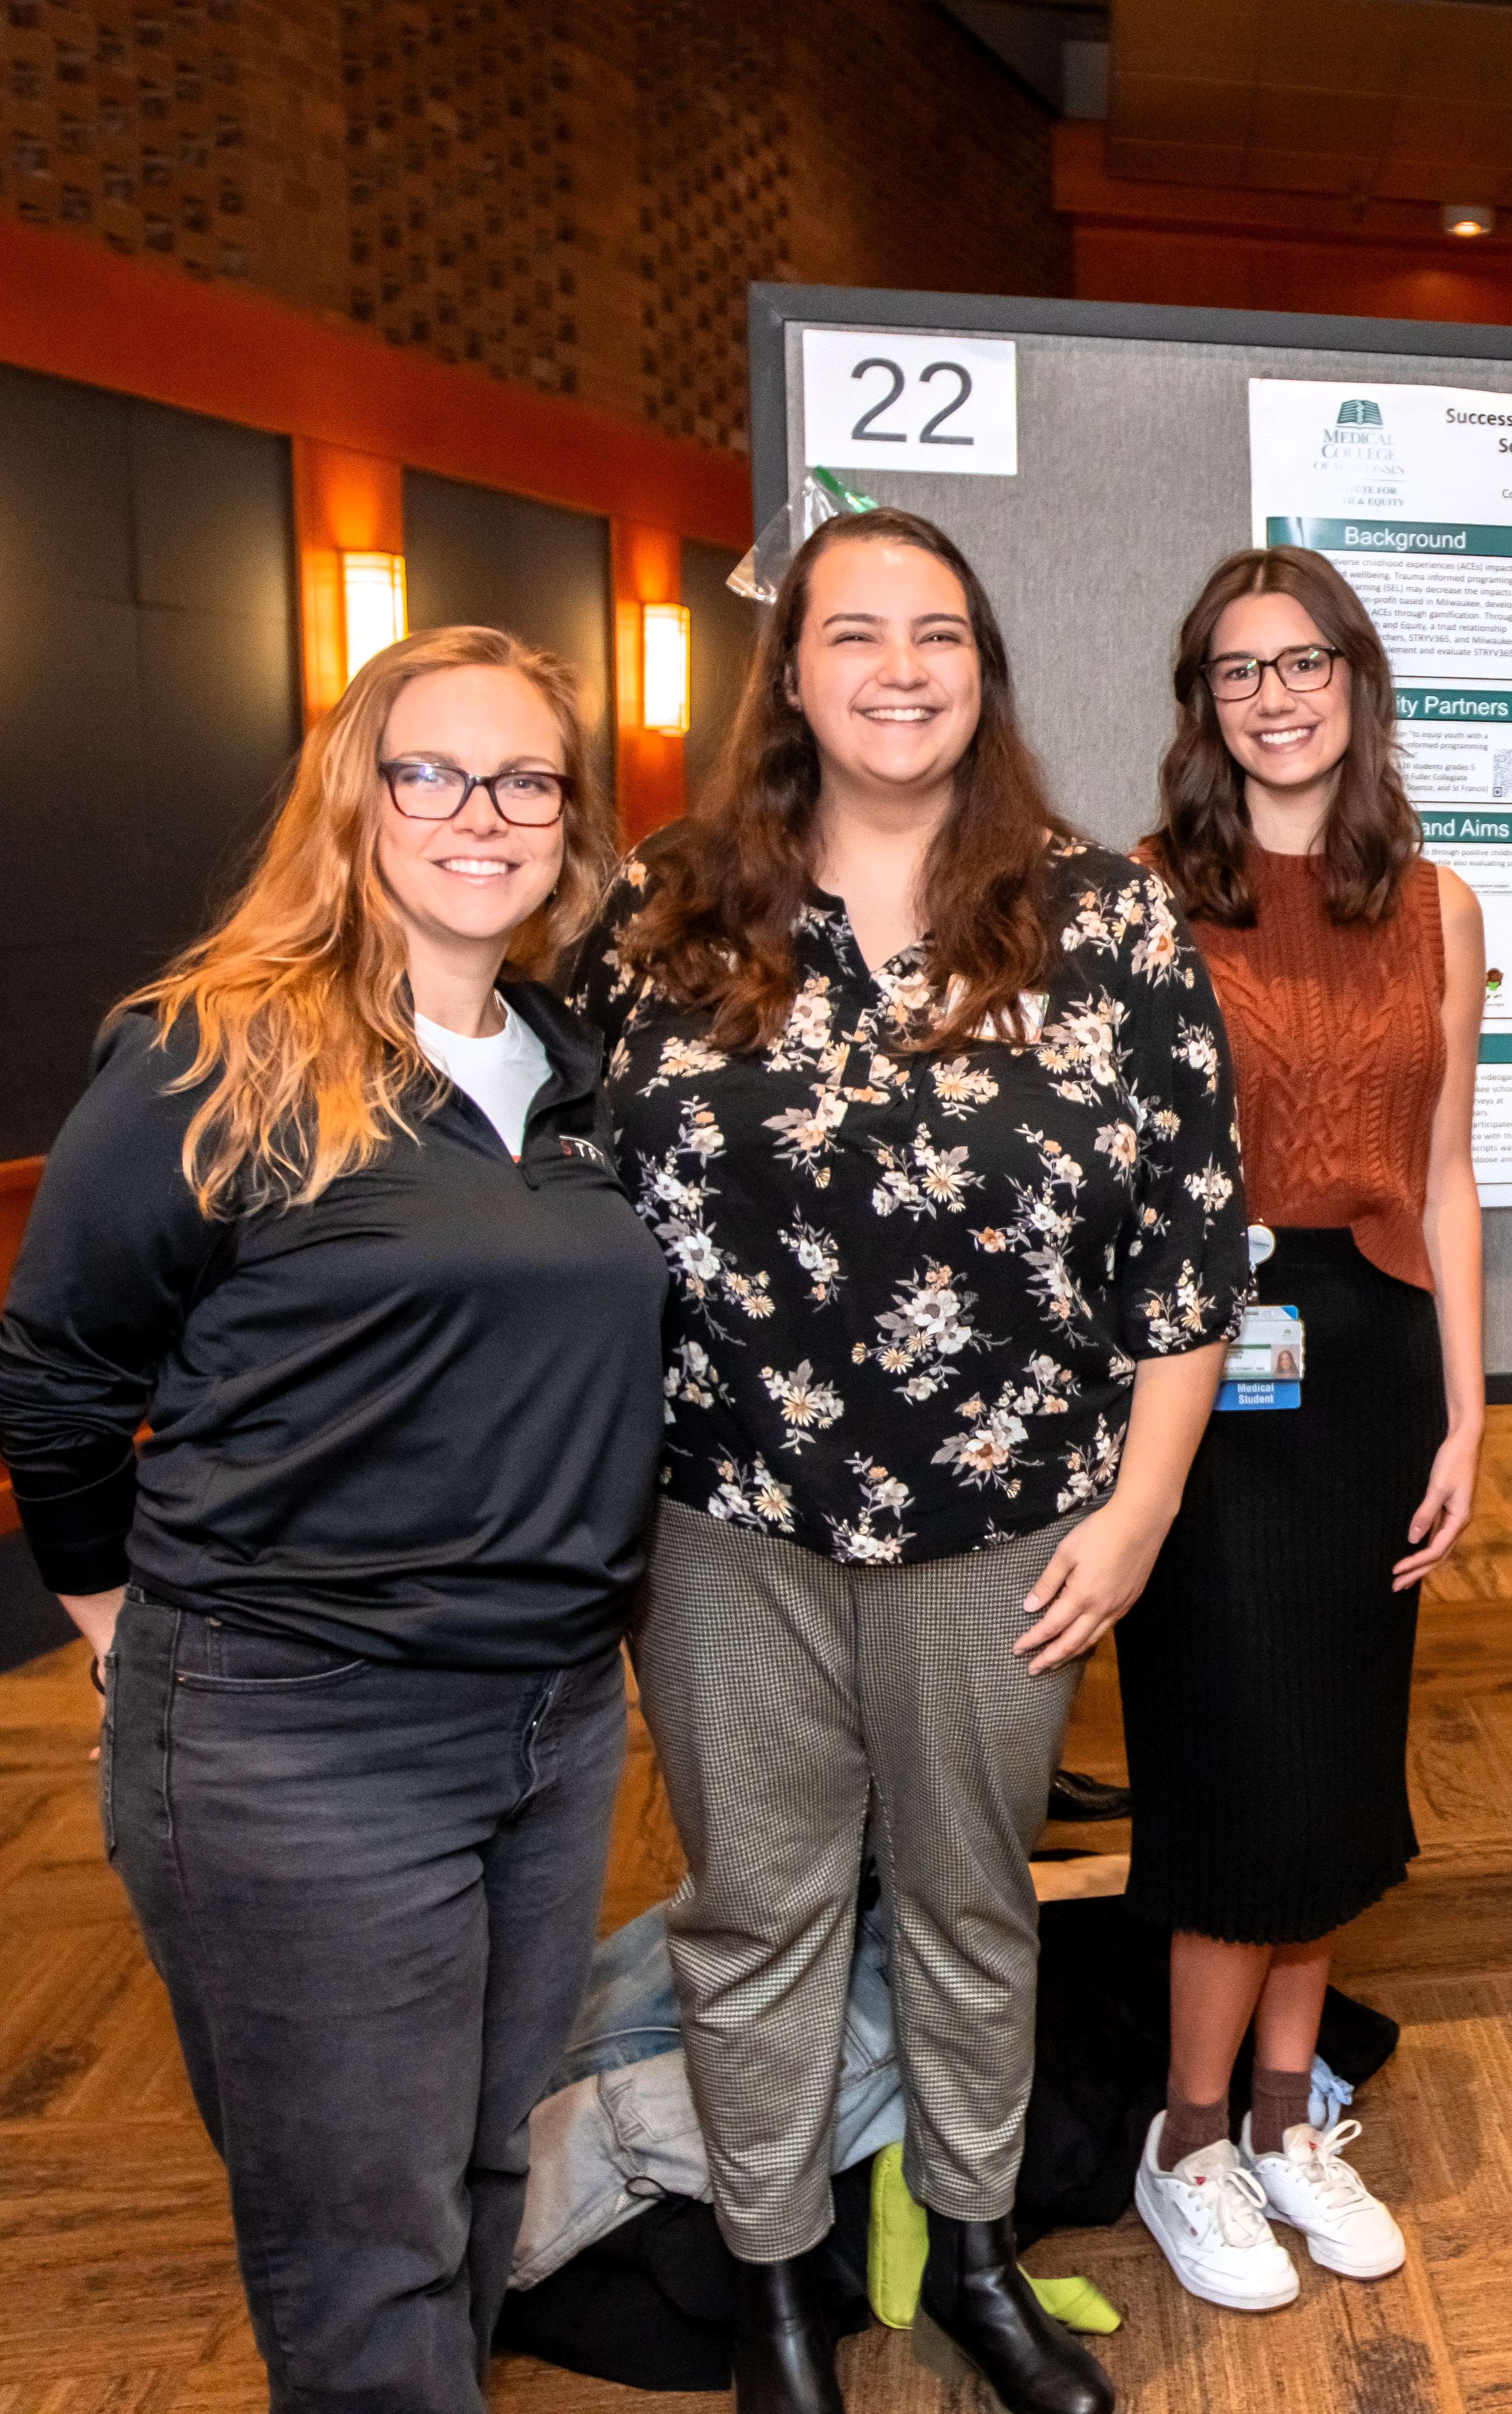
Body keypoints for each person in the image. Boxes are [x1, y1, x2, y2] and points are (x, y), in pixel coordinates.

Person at [578, 509, 1247, 2414]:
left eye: (936, 631)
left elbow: (1191, 1246)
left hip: (1007, 1526)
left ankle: (970, 2250)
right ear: (789, 671)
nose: (897, 666)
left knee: (970, 1905)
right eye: (853, 631)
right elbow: (562, 1193)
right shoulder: (664, 910)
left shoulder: (1101, 920)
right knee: (756, 1918)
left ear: (984, 668)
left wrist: (1141, 1508)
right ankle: (775, 2291)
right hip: (723, 1521)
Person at [0, 628, 660, 2413]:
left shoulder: (572, 1066)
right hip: (302, 1732)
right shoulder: (213, 1052)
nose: (480, 812)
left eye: (525, 779)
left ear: (568, 822)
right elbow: (58, 1368)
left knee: (481, 2172)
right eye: (429, 771)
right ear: (354, 796)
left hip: (551, 1720)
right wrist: (116, 1627)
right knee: (364, 2245)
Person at [1122, 545, 1483, 2307]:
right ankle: (1185, 2142)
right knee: (1236, 1759)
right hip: (1206, 1358)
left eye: (1303, 662)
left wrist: (1469, 1418)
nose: (1275, 697)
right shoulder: (1140, 900)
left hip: (1375, 1360)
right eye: (1238, 669)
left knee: (1338, 1754)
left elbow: (1448, 1174)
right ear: (1205, 702)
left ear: (1358, 680)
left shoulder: (1438, 904)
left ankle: (1285, 2118)